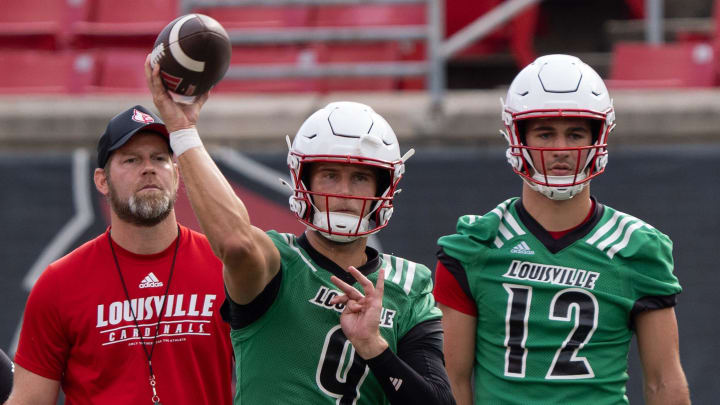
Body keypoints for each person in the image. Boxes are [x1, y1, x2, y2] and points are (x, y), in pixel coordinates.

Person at [145, 59, 456, 405]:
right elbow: (235, 242)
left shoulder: (409, 285)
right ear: (302, 180)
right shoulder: (276, 261)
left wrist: (374, 346)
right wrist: (183, 131)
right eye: (329, 176)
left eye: (360, 178)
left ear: (383, 191)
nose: (344, 192)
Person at [434, 54, 690, 405]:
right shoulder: (474, 247)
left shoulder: (636, 248)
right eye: (544, 133)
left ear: (599, 136)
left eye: (575, 134)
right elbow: (452, 382)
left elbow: (664, 382)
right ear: (517, 137)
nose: (560, 150)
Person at [8, 106, 234, 405]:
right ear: (102, 181)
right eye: (131, 159)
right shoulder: (59, 284)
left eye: (159, 158)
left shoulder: (225, 268)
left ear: (177, 175)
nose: (149, 168)